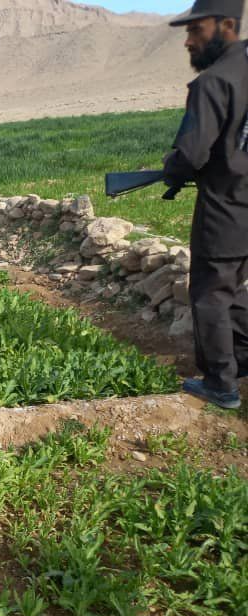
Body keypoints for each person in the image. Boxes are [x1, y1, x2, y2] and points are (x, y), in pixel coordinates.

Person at [163, 0, 248, 410]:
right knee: (234, 288)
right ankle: (240, 359)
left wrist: (172, 170)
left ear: (226, 25)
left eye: (196, 30)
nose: (188, 40)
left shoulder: (212, 83)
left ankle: (220, 384)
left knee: (211, 294)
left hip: (226, 210)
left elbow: (192, 154)